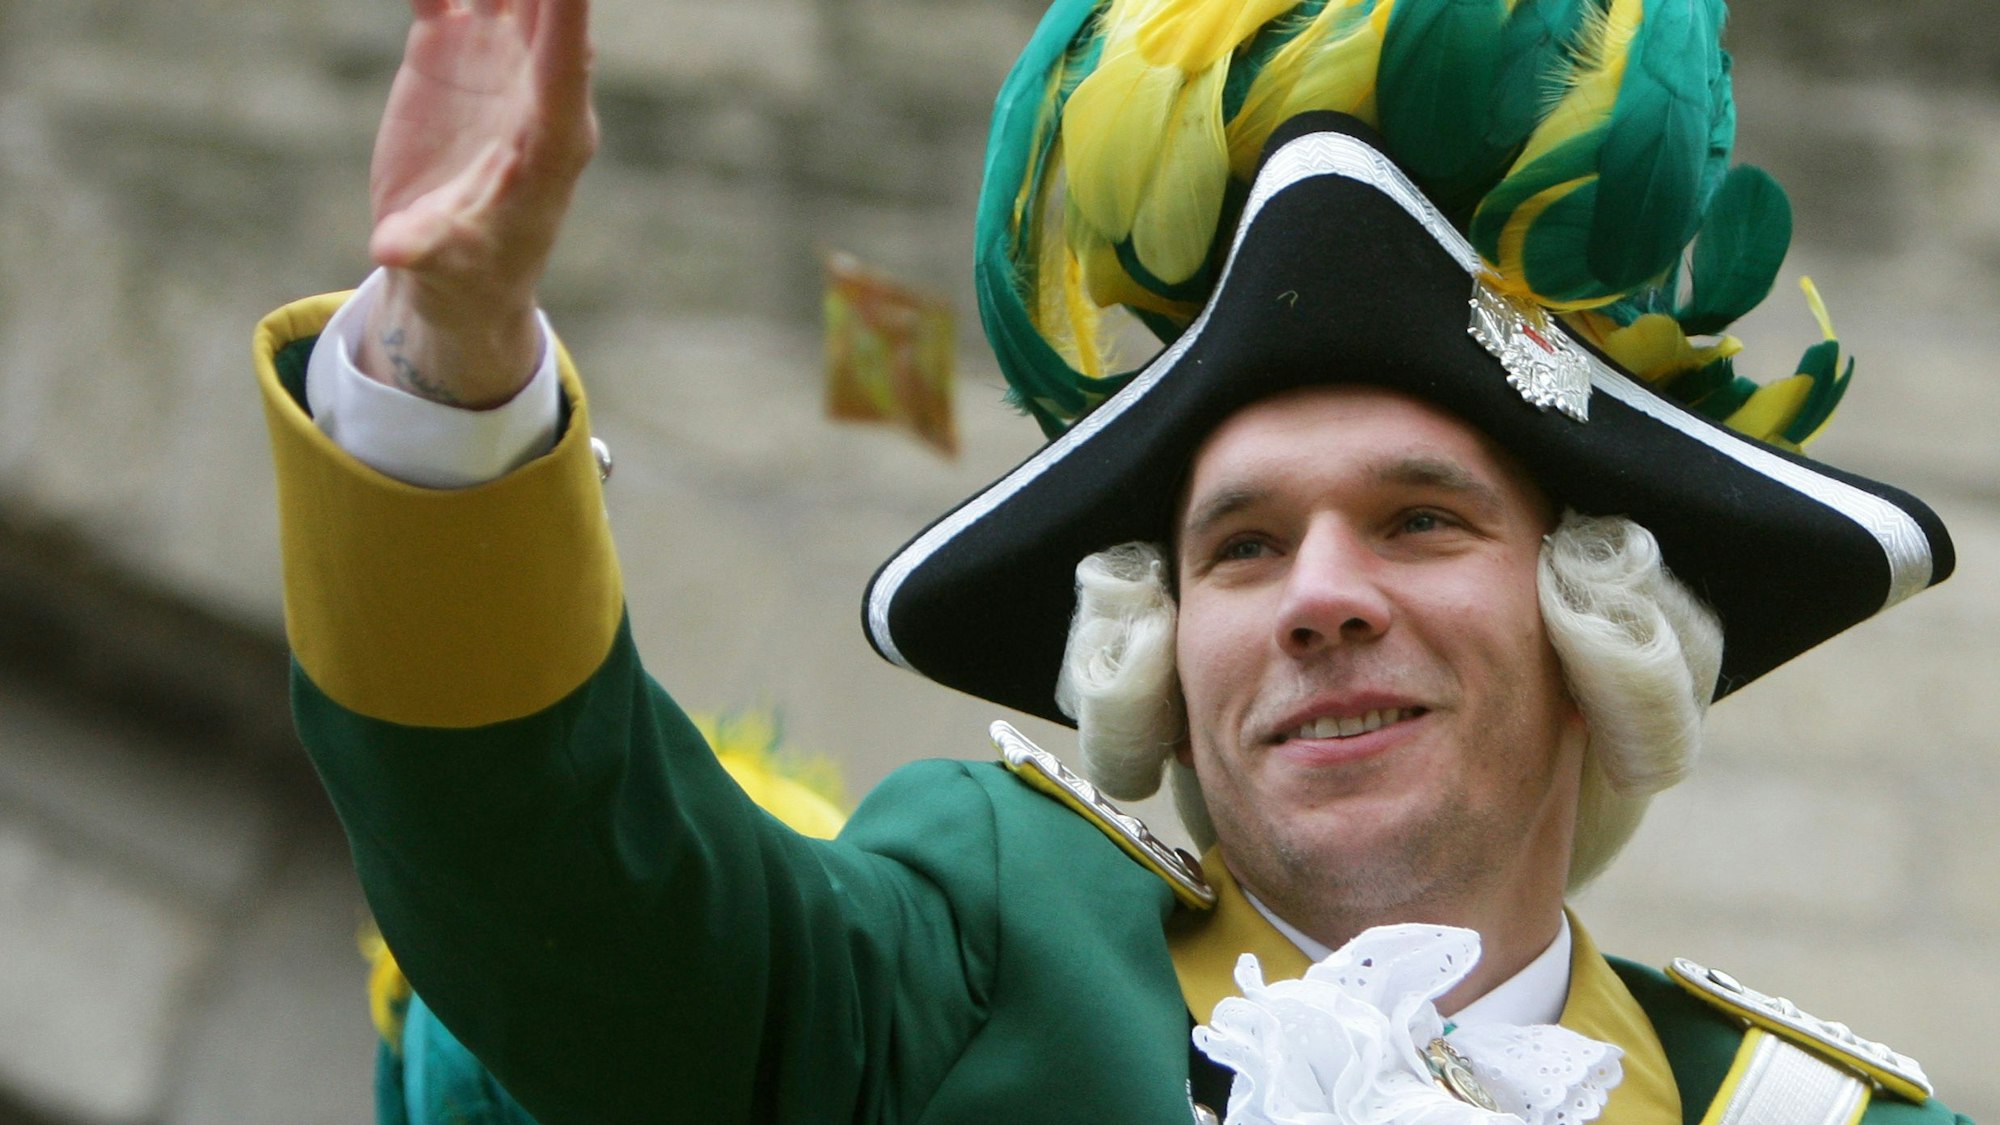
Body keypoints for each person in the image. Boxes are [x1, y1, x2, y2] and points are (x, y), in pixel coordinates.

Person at [252, 0, 1971, 1121]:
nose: (1319, 596)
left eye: (1420, 519)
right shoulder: (987, 951)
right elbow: (573, 898)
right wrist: (448, 363)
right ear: (1158, 655)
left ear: (1597, 623)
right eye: (1239, 548)